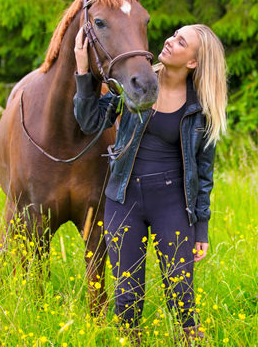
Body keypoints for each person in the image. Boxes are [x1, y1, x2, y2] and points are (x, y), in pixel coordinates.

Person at [73, 24, 227, 344]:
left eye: (181, 41)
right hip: (123, 198)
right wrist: (83, 70)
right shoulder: (136, 83)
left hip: (171, 202)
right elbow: (89, 122)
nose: (170, 41)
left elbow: (204, 172)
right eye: (174, 34)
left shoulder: (201, 107)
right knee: (128, 295)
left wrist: (201, 228)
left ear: (194, 62)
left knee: (181, 294)